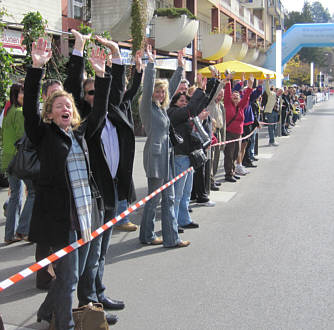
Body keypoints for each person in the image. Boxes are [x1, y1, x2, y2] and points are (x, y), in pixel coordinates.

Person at [24, 37, 111, 329]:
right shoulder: (44, 135)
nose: (65, 108)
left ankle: (47, 311)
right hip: (62, 220)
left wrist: (101, 76)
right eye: (58, 105)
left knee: (72, 273)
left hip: (87, 215)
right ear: (49, 113)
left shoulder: (79, 135)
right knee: (70, 276)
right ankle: (64, 324)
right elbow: (28, 112)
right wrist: (36, 68)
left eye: (68, 105)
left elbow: (98, 112)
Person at [63, 31, 123, 323]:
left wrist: (115, 57)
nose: (95, 95)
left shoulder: (111, 111)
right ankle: (88, 305)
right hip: (91, 196)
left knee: (102, 252)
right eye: (90, 92)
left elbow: (120, 88)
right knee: (91, 253)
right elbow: (72, 88)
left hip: (111, 191)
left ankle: (98, 294)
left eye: (97, 91)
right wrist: (80, 49)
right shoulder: (85, 123)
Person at [139, 44, 190, 248]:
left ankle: (163, 237)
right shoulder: (147, 108)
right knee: (156, 198)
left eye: (162, 92)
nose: (160, 94)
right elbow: (149, 86)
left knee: (165, 197)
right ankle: (154, 236)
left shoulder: (161, 109)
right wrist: (151, 64)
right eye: (157, 92)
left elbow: (173, 86)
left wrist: (179, 68)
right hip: (155, 158)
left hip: (166, 157)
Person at [167, 79, 208, 230]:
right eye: (182, 100)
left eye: (186, 101)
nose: (185, 103)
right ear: (175, 102)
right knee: (177, 194)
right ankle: (173, 223)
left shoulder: (185, 114)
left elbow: (197, 106)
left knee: (186, 192)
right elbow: (191, 108)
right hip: (180, 157)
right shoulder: (173, 113)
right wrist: (199, 91)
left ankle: (184, 219)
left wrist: (205, 90)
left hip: (189, 156)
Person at [2, 82, 35, 244]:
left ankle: (10, 234)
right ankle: (23, 230)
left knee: (15, 195)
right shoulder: (21, 112)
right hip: (20, 159)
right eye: (23, 92)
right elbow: (26, 138)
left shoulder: (8, 112)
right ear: (17, 95)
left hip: (9, 159)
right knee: (34, 192)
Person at [223, 72, 254, 182]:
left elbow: (246, 97)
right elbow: (227, 92)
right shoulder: (227, 103)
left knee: (236, 153)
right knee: (229, 154)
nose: (235, 97)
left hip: (238, 134)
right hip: (229, 133)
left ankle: (233, 170)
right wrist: (229, 81)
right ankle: (228, 174)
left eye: (237, 96)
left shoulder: (241, 106)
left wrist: (250, 86)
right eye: (233, 95)